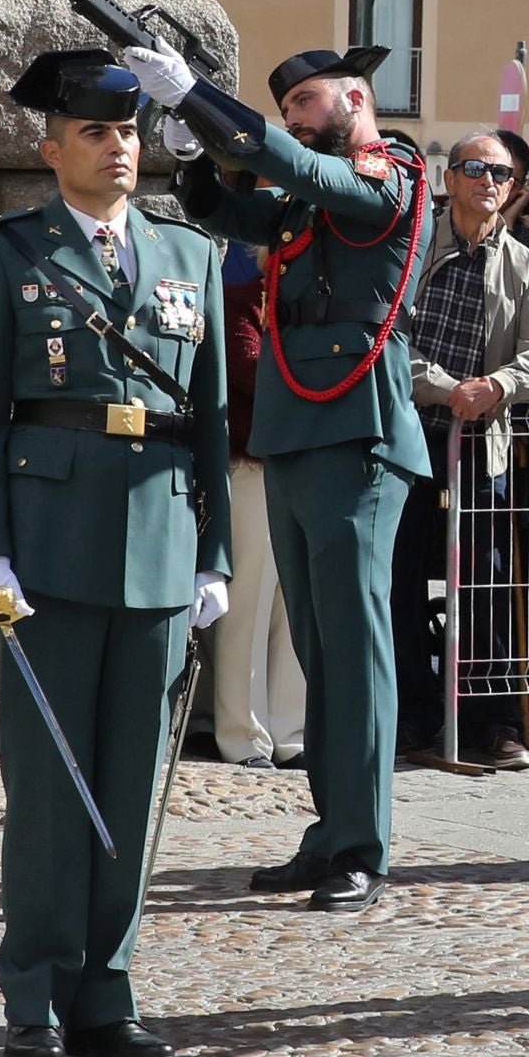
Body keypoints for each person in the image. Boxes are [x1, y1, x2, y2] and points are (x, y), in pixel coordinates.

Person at [0, 49, 232, 1057]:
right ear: (52, 149)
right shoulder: (7, 253)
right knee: (49, 787)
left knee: (128, 786)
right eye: (96, 132)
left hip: (159, 543)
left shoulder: (189, 254)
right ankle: (36, 990)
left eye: (129, 131)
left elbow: (209, 418)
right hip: (51, 550)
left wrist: (214, 555)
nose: (120, 148)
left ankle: (107, 990)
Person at [129, 41, 434, 914]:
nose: (296, 117)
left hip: (358, 430)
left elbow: (296, 166)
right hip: (299, 428)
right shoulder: (309, 199)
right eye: (288, 107)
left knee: (356, 646)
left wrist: (202, 97)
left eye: (306, 101)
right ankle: (333, 829)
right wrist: (191, 149)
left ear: (354, 97)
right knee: (319, 646)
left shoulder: (390, 171)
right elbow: (230, 213)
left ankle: (363, 844)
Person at [393, 130, 529, 769]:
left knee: (485, 586)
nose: (488, 181)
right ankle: (414, 718)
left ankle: (493, 722)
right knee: (399, 583)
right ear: (448, 179)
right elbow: (387, 341)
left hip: (480, 449)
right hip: (408, 440)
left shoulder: (524, 264)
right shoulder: (411, 248)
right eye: (474, 169)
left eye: (500, 173)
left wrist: (496, 386)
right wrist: (448, 389)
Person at [210, 236, 308, 770]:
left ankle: (291, 731)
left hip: (304, 466)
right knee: (247, 602)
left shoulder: (316, 307)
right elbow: (249, 368)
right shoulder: (243, 299)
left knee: (295, 607)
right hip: (253, 465)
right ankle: (243, 735)